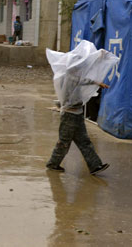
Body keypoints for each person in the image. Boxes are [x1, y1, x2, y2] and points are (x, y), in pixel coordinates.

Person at [46, 43, 117, 175]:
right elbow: (82, 79)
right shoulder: (70, 76)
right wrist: (97, 76)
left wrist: (97, 78)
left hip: (76, 114)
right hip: (69, 115)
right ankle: (53, 163)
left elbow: (84, 75)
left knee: (84, 141)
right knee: (64, 141)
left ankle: (95, 165)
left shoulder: (74, 75)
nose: (82, 67)